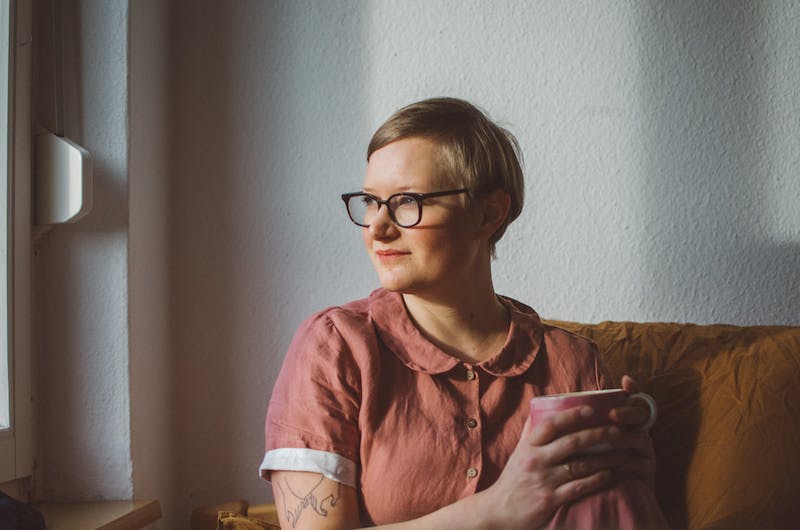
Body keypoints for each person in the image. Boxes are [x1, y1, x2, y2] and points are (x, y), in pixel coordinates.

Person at [260, 97, 668, 529]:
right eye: (371, 201)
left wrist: (636, 483)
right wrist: (498, 508)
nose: (378, 227)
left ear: (489, 213)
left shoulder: (574, 365)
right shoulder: (336, 345)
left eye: (407, 201)